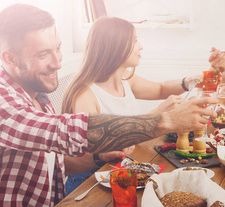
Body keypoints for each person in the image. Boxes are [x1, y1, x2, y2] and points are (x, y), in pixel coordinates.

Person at [0, 4, 216, 207]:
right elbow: (68, 131)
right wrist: (165, 119)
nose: (58, 63)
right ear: (9, 58)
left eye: (58, 49)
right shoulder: (4, 103)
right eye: (43, 54)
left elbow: (58, 160)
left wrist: (98, 158)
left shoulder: (35, 93)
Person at [61, 16, 204, 194]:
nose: (141, 46)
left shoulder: (125, 78)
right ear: (116, 47)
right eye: (135, 41)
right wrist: (156, 115)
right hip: (90, 182)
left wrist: (186, 82)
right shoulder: (85, 94)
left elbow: (160, 89)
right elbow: (101, 148)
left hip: (120, 172)